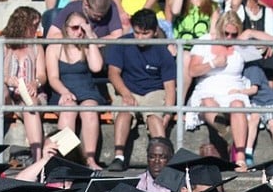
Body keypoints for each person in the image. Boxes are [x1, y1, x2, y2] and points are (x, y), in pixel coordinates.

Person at [105, 9, 177, 172]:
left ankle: (164, 159)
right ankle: (119, 157)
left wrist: (168, 113)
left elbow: (169, 87)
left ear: (154, 31)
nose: (140, 37)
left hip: (154, 91)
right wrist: (125, 94)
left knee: (154, 117)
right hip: (128, 88)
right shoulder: (122, 43)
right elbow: (113, 73)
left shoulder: (162, 51)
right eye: (137, 33)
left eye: (145, 33)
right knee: (123, 112)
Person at [187, 14, 253, 168]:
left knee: (237, 104)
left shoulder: (241, 44)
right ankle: (229, 137)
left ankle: (240, 158)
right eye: (226, 33)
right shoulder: (205, 41)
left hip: (234, 90)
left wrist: (251, 34)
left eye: (234, 34)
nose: (229, 38)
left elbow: (272, 42)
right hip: (207, 89)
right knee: (208, 103)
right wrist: (213, 63)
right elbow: (192, 70)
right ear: (219, 29)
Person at [47, 10, 107, 170]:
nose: (79, 32)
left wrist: (90, 35)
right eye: (75, 28)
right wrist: (64, 92)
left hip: (86, 90)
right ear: (66, 28)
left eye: (82, 28)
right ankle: (67, 158)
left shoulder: (86, 46)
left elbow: (96, 67)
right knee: (68, 109)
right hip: (63, 90)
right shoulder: (55, 47)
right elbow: (53, 77)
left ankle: (90, 159)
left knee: (89, 110)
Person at [0, 6, 46, 163]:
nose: (37, 30)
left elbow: (42, 75)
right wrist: (6, 79)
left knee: (31, 104)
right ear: (22, 25)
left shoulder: (36, 46)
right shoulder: (2, 43)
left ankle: (37, 156)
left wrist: (35, 82)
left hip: (29, 93)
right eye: (34, 26)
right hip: (7, 93)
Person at [47, 0, 124, 39]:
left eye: (103, 16)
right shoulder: (72, 8)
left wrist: (95, 42)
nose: (99, 19)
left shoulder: (111, 7)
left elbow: (117, 35)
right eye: (96, 16)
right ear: (86, 4)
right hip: (75, 50)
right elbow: (51, 36)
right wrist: (75, 38)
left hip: (101, 50)